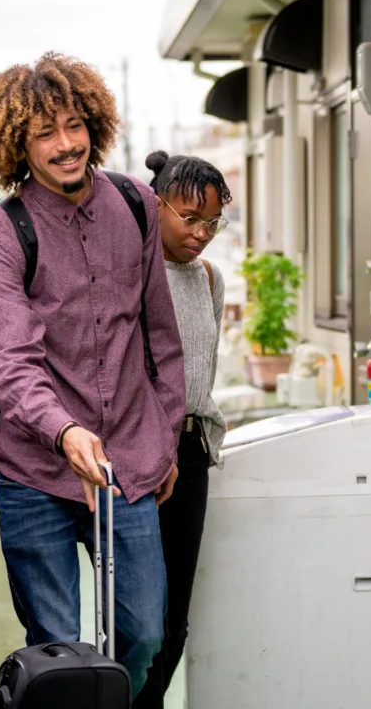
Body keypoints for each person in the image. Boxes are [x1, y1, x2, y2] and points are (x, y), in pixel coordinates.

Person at [0, 52, 186, 700]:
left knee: (146, 631)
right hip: (33, 467)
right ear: (18, 145)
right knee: (55, 647)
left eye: (72, 125)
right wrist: (64, 432)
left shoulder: (135, 204)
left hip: (127, 459)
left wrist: (164, 437)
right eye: (44, 133)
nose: (65, 145)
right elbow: (11, 361)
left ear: (92, 122)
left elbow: (161, 336)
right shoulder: (1, 236)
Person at [133, 150, 231, 708]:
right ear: (158, 203)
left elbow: (202, 364)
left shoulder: (210, 278)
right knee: (138, 615)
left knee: (175, 619)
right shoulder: (133, 271)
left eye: (211, 222)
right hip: (140, 452)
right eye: (189, 218)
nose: (200, 234)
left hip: (190, 450)